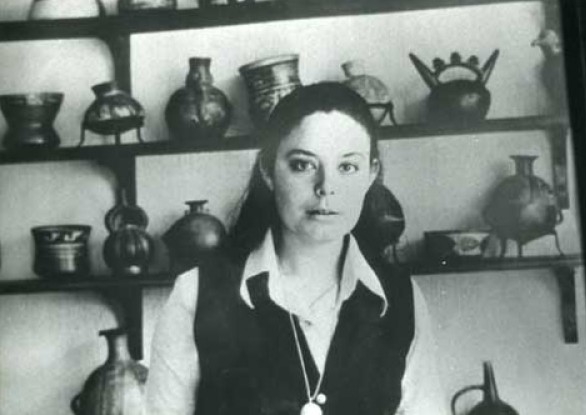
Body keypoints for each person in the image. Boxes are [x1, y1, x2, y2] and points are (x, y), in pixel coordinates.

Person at [146, 83, 449, 415]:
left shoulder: (402, 299)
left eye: (347, 167)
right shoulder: (195, 295)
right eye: (303, 165)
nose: (326, 188)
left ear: (370, 174)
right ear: (268, 170)